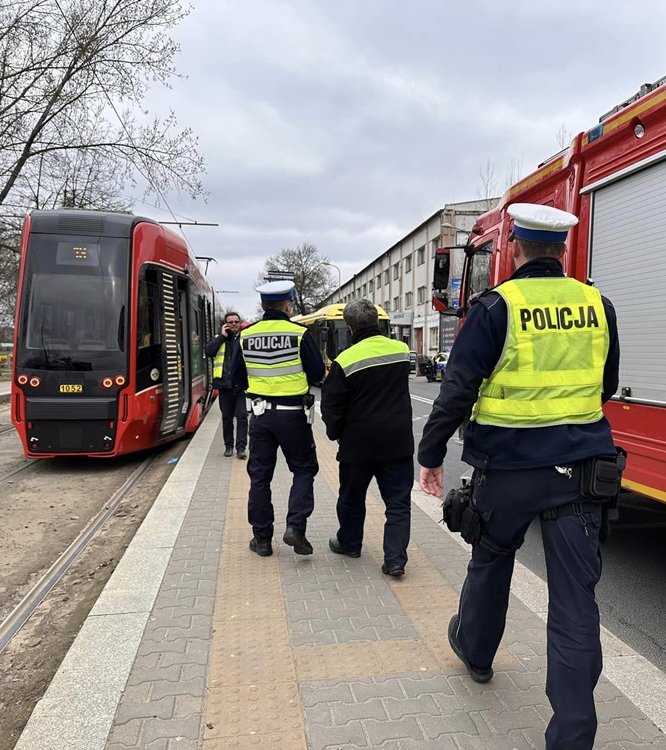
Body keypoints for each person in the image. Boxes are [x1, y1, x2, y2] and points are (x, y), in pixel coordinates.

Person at [417, 203, 621, 750]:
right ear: (562, 250)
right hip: (579, 471)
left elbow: (458, 389)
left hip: (507, 471)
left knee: (491, 559)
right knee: (575, 600)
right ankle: (573, 736)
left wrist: (431, 454)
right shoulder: (598, 305)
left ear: (514, 247)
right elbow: (606, 385)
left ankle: (477, 653)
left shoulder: (495, 307)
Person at [321, 299, 414, 576]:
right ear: (376, 321)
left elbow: (331, 405)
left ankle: (350, 544)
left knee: (351, 498)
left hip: (357, 445)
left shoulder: (344, 361)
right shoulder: (401, 351)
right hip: (397, 442)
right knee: (398, 503)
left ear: (350, 328)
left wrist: (335, 433)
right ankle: (395, 560)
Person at [235, 281, 325, 557]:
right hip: (294, 416)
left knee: (260, 477)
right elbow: (318, 373)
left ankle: (262, 540)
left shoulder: (246, 335)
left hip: (260, 416)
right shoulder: (299, 333)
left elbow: (236, 377)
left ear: (263, 306)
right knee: (303, 469)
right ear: (288, 305)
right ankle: (295, 527)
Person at [206, 311, 248, 458]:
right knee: (227, 418)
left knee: (242, 417)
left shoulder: (245, 338)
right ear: (225, 324)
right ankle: (228, 446)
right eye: (230, 322)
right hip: (224, 386)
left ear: (239, 323)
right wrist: (222, 337)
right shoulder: (219, 339)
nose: (233, 324)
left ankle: (241, 448)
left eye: (236, 322)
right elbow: (209, 351)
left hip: (241, 385)